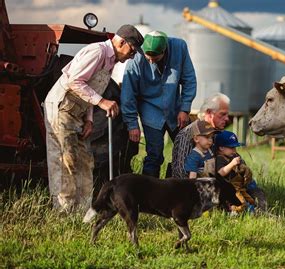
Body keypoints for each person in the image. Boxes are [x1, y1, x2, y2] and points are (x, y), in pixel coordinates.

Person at [43, 24, 143, 213]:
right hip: (62, 108)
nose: (132, 56)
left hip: (78, 112)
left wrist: (89, 118)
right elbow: (75, 81)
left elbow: (91, 87)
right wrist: (102, 102)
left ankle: (83, 210)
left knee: (85, 161)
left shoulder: (111, 60)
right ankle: (63, 213)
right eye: (132, 50)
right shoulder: (97, 52)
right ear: (121, 42)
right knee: (66, 161)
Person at [121, 30, 196, 177]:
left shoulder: (179, 47)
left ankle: (178, 186)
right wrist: (132, 124)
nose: (150, 61)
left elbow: (189, 79)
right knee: (154, 156)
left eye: (155, 57)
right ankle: (148, 195)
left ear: (165, 50)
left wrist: (185, 108)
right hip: (150, 111)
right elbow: (128, 93)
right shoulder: (136, 57)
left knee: (188, 152)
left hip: (175, 111)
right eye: (148, 57)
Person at [171, 92, 230, 179]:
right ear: (209, 112)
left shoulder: (219, 133)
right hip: (190, 188)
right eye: (222, 114)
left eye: (227, 114)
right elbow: (181, 173)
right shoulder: (187, 134)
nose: (227, 118)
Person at [214, 130, 256, 214]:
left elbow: (241, 165)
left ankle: (250, 206)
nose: (234, 150)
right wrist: (232, 164)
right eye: (232, 148)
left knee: (251, 198)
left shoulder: (233, 155)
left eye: (235, 148)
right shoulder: (220, 159)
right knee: (239, 202)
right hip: (229, 188)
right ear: (221, 148)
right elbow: (220, 173)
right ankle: (233, 212)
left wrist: (244, 168)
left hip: (239, 186)